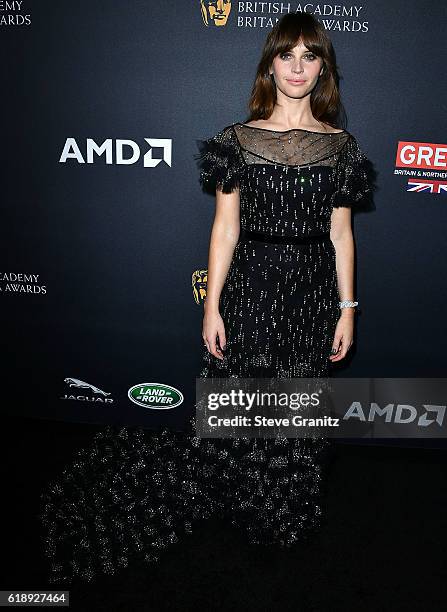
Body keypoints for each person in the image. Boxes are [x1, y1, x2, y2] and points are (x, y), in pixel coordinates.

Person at [40, 12, 373, 584]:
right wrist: (212, 304)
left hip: (313, 289)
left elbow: (342, 233)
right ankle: (240, 493)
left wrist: (347, 309)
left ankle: (284, 508)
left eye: (309, 56)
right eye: (286, 55)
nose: (297, 67)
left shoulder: (342, 148)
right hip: (252, 284)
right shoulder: (235, 140)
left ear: (324, 68)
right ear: (270, 63)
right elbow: (225, 229)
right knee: (240, 395)